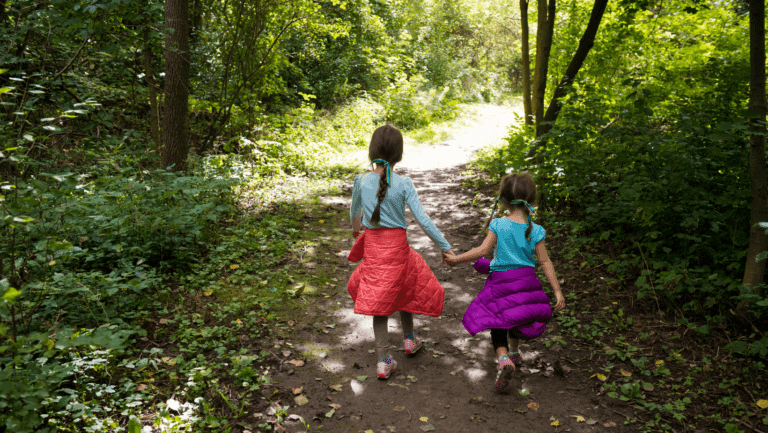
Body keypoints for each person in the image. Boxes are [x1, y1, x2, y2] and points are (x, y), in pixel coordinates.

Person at [347, 124, 455, 379]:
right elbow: (423, 219)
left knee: (379, 304)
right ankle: (408, 340)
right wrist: (445, 247)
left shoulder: (361, 180)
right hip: (398, 251)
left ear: (372, 151)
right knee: (406, 287)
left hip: (374, 251)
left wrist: (356, 230)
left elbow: (355, 213)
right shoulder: (404, 183)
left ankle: (384, 359)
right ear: (399, 154)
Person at [444, 172, 565, 393]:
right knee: (517, 315)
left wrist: (456, 260)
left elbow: (482, 251)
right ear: (531, 200)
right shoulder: (536, 230)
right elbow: (545, 262)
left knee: (497, 320)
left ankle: (504, 358)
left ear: (504, 200)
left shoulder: (499, 224)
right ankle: (515, 352)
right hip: (526, 282)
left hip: (501, 282)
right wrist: (557, 291)